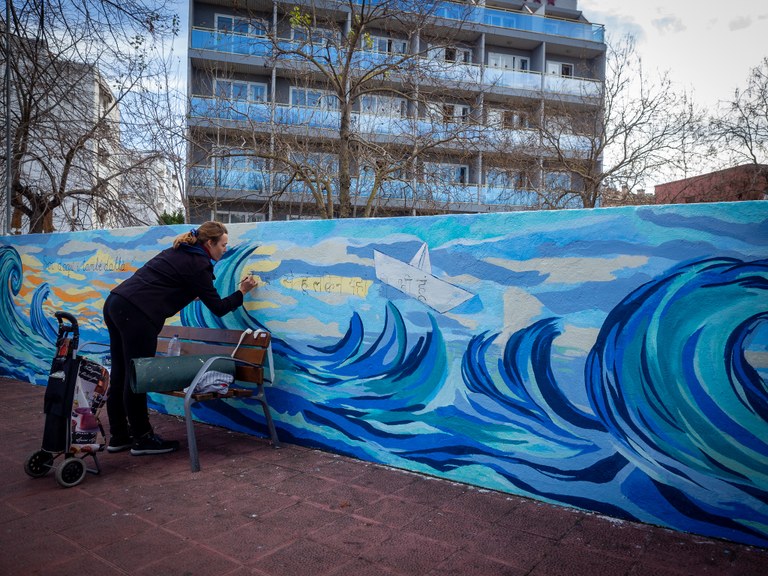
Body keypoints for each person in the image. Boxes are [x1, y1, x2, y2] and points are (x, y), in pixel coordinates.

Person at [103, 221, 258, 456]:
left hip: (117, 303)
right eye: (223, 245)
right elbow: (219, 308)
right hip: (137, 313)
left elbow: (168, 283)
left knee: (122, 372)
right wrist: (242, 292)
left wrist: (194, 293)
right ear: (210, 243)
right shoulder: (199, 264)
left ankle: (119, 435)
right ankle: (142, 438)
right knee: (137, 375)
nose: (225, 249)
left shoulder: (181, 251)